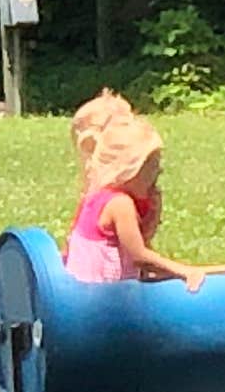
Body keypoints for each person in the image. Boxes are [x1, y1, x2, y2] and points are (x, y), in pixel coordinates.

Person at [64, 90, 211, 287]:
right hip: (100, 298)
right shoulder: (120, 204)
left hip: (82, 291)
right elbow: (139, 256)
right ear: (129, 171)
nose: (159, 170)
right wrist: (183, 271)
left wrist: (153, 210)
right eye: (151, 166)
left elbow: (140, 240)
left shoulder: (98, 194)